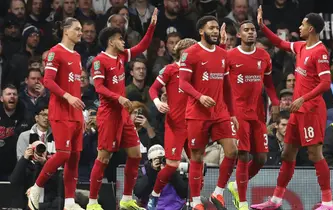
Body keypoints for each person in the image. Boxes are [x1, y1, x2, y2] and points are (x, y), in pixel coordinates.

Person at [251, 6, 333, 210]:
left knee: (315, 154)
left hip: (312, 109)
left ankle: (328, 202)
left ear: (312, 29)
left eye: (303, 24)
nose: (300, 26)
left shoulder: (320, 52)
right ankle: (276, 200)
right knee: (288, 154)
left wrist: (304, 98)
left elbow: (325, 83)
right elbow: (279, 42)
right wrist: (262, 27)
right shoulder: (300, 46)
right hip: (298, 111)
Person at [86, 8, 158, 210]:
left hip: (123, 114)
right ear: (111, 41)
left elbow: (143, 45)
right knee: (104, 157)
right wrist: (119, 98)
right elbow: (99, 88)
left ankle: (126, 199)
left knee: (135, 154)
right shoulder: (100, 61)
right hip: (109, 114)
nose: (123, 41)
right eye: (120, 38)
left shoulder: (121, 56)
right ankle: (92, 202)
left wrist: (152, 25)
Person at [179, 15, 238, 210]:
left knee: (232, 151)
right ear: (201, 31)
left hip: (220, 112)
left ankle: (218, 192)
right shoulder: (190, 53)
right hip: (197, 113)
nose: (214, 31)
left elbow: (227, 86)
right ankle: (196, 201)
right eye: (211, 27)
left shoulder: (223, 54)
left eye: (216, 28)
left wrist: (232, 113)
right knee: (197, 157)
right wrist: (200, 97)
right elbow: (183, 83)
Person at [27, 17, 86, 210]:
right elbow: (48, 81)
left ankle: (69, 202)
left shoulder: (77, 56)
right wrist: (68, 97)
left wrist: (80, 112)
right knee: (62, 154)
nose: (80, 33)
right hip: (60, 112)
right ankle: (36, 188)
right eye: (77, 29)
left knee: (75, 158)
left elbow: (75, 86)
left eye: (81, 30)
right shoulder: (55, 52)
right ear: (66, 30)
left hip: (76, 114)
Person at [225, 21, 279, 210]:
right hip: (238, 112)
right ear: (239, 34)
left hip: (258, 112)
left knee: (261, 158)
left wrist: (276, 102)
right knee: (243, 154)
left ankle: (235, 185)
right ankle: (242, 201)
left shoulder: (264, 56)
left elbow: (269, 83)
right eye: (246, 30)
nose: (250, 33)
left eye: (253, 30)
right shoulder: (230, 56)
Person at [147, 38, 197, 209]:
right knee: (172, 165)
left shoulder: (197, 72)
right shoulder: (170, 70)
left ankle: (194, 201)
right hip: (175, 124)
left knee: (198, 164)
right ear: (181, 53)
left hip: (194, 124)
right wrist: (158, 103)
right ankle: (155, 195)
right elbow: (152, 89)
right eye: (189, 51)